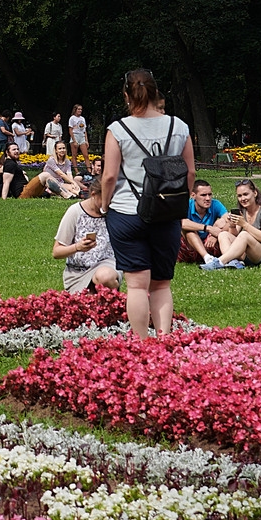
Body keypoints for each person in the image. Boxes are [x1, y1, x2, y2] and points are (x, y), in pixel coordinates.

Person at [100, 68, 195, 341]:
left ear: (127, 96)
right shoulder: (179, 127)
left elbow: (109, 176)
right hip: (167, 213)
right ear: (156, 92)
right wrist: (179, 202)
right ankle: (164, 340)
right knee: (162, 284)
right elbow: (190, 172)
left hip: (127, 212)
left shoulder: (118, 130)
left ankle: (142, 344)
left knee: (137, 286)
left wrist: (106, 206)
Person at [52, 186, 120, 292]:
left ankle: (112, 297)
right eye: (105, 200)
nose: (108, 204)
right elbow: (56, 252)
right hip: (77, 272)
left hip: (107, 264)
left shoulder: (114, 211)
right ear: (93, 195)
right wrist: (77, 247)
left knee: (105, 276)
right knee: (86, 305)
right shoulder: (75, 212)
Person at [209, 179, 261, 267]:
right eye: (239, 196)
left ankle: (219, 262)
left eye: (245, 194)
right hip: (251, 254)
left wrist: (244, 224)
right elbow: (235, 236)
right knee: (223, 234)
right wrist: (232, 225)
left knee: (244, 235)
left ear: (255, 193)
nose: (243, 199)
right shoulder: (243, 211)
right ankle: (233, 262)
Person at [179, 177, 229, 261]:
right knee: (189, 230)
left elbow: (229, 221)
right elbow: (182, 223)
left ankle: (210, 257)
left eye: (210, 194)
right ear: (193, 195)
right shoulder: (186, 205)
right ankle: (207, 257)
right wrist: (208, 228)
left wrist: (214, 235)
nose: (208, 198)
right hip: (189, 247)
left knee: (221, 222)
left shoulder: (215, 204)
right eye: (203, 195)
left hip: (209, 243)